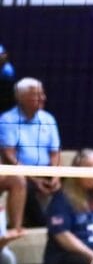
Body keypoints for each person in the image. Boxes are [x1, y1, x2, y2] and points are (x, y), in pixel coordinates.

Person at [0, 77, 62, 228]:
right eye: (36, 94)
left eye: (42, 94)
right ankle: (41, 224)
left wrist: (56, 176)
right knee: (24, 184)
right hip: (22, 171)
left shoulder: (48, 119)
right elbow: (9, 156)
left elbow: (55, 152)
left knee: (70, 185)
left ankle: (65, 225)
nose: (42, 98)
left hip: (46, 171)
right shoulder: (7, 120)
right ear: (21, 97)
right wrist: (34, 179)